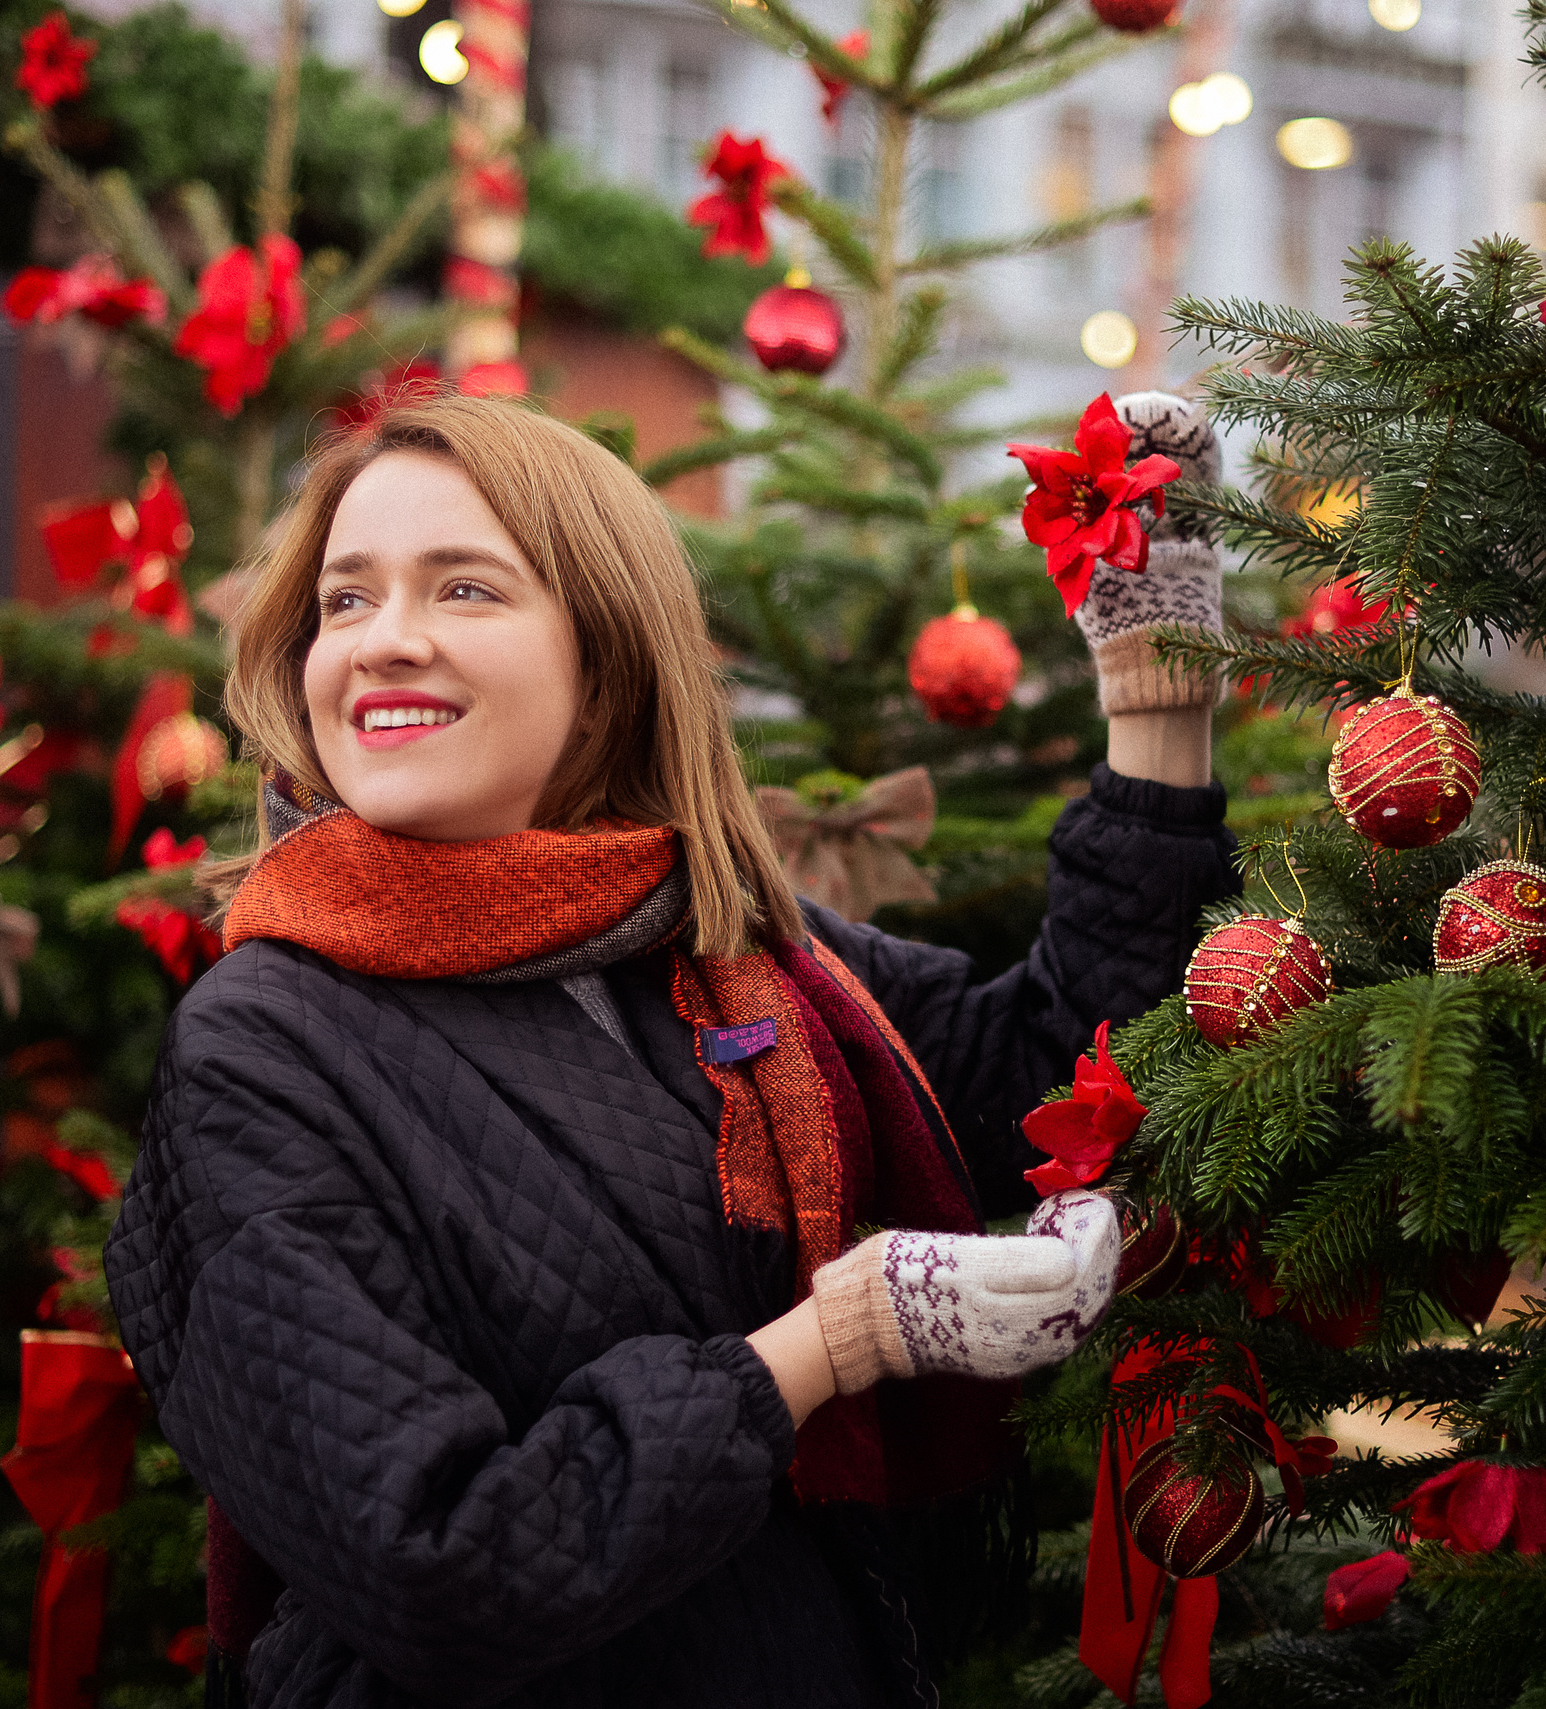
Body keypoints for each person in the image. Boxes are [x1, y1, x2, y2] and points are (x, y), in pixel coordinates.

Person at [104, 390, 1239, 1709]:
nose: (382, 643)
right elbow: (438, 1562)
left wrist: (1158, 713)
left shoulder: (717, 937)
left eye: (462, 589)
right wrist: (832, 1343)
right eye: (346, 601)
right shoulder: (263, 1042)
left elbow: (1060, 1075)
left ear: (606, 662)